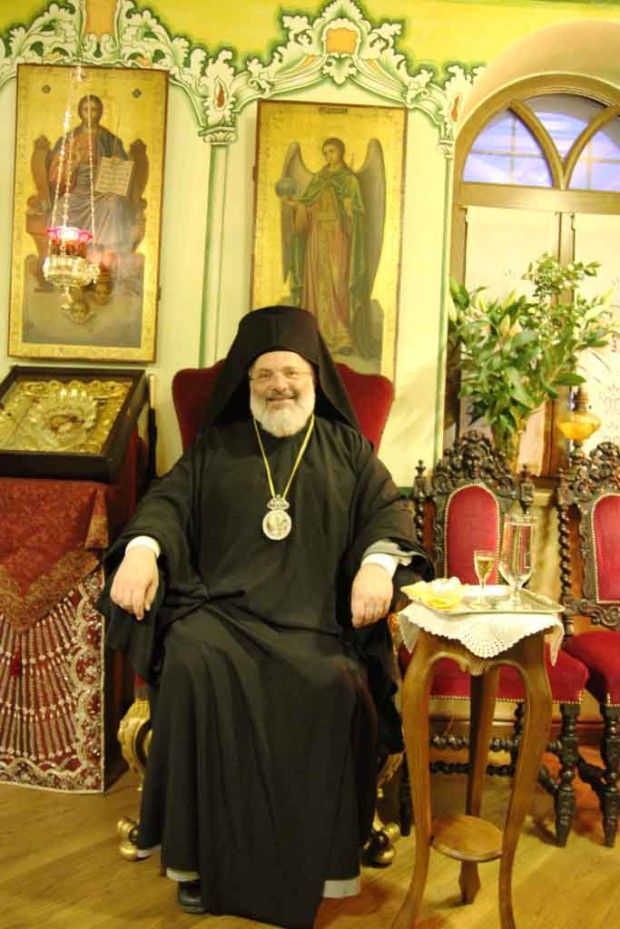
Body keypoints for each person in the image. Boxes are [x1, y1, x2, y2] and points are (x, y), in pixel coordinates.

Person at [99, 305, 431, 928]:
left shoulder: (347, 449)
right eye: (264, 375)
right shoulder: (216, 445)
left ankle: (319, 865)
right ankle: (195, 864)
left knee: (335, 683)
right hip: (221, 616)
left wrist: (377, 565)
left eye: (291, 372)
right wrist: (142, 550)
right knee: (192, 661)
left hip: (316, 622)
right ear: (246, 382)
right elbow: (166, 504)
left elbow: (388, 515)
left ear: (314, 378)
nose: (279, 385)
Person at [283, 138, 366, 355]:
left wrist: (350, 210)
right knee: (316, 281)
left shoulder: (349, 180)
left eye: (332, 151)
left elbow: (357, 217)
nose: (329, 156)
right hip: (316, 238)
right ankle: (314, 335)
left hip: (337, 237)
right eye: (325, 152)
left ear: (341, 152)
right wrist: (295, 205)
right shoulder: (319, 178)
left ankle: (341, 337)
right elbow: (308, 207)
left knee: (337, 283)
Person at [48, 94, 134, 267]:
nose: (90, 114)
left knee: (113, 204)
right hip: (77, 189)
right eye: (86, 109)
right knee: (61, 207)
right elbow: (56, 172)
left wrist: (115, 162)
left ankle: (105, 261)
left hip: (101, 191)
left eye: (93, 110)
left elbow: (123, 167)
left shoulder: (110, 140)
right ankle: (66, 259)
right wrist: (73, 162)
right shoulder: (69, 139)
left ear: (100, 113)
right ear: (80, 112)